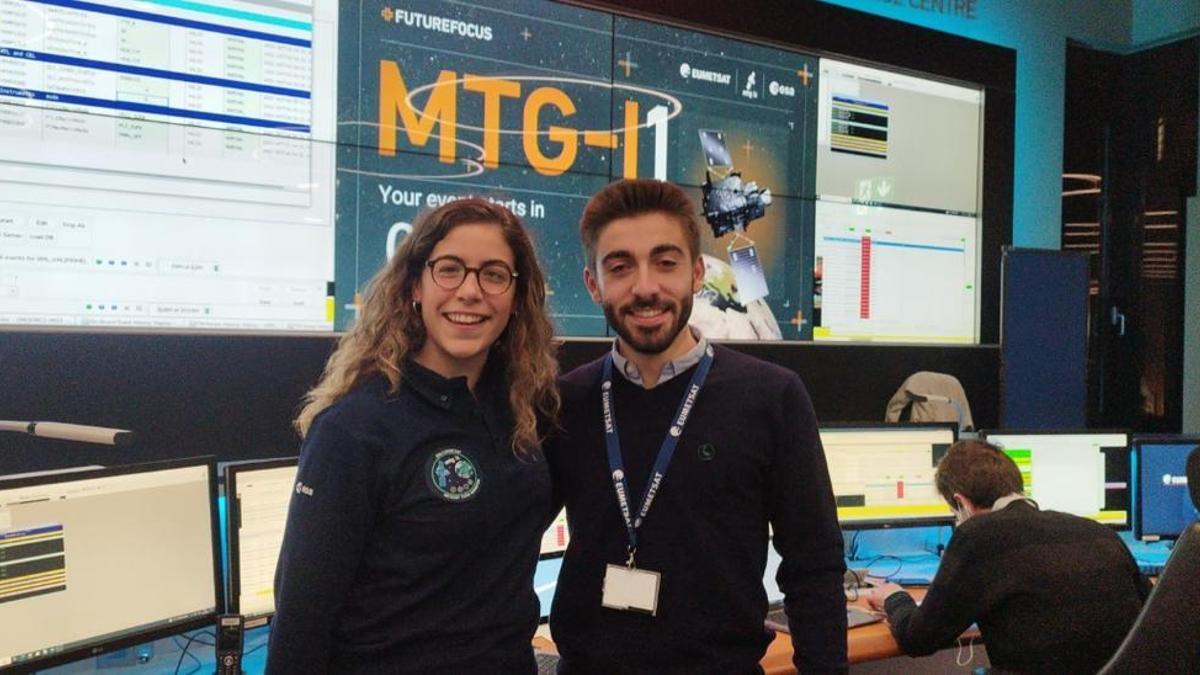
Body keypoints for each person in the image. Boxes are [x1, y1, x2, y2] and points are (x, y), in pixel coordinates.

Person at [546, 179, 847, 674]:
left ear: (697, 273)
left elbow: (814, 568)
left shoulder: (772, 397)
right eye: (620, 267)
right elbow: (502, 541)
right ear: (593, 283)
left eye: (666, 263)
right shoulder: (565, 402)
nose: (646, 287)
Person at [266, 198, 560, 674]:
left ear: (515, 297)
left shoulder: (527, 411)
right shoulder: (354, 429)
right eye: (449, 269)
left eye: (493, 274)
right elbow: (303, 618)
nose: (470, 291)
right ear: (414, 288)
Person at [865, 439, 1151, 674]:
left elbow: (919, 639)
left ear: (960, 503)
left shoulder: (978, 535)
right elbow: (1152, 611)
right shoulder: (1098, 532)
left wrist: (894, 596)